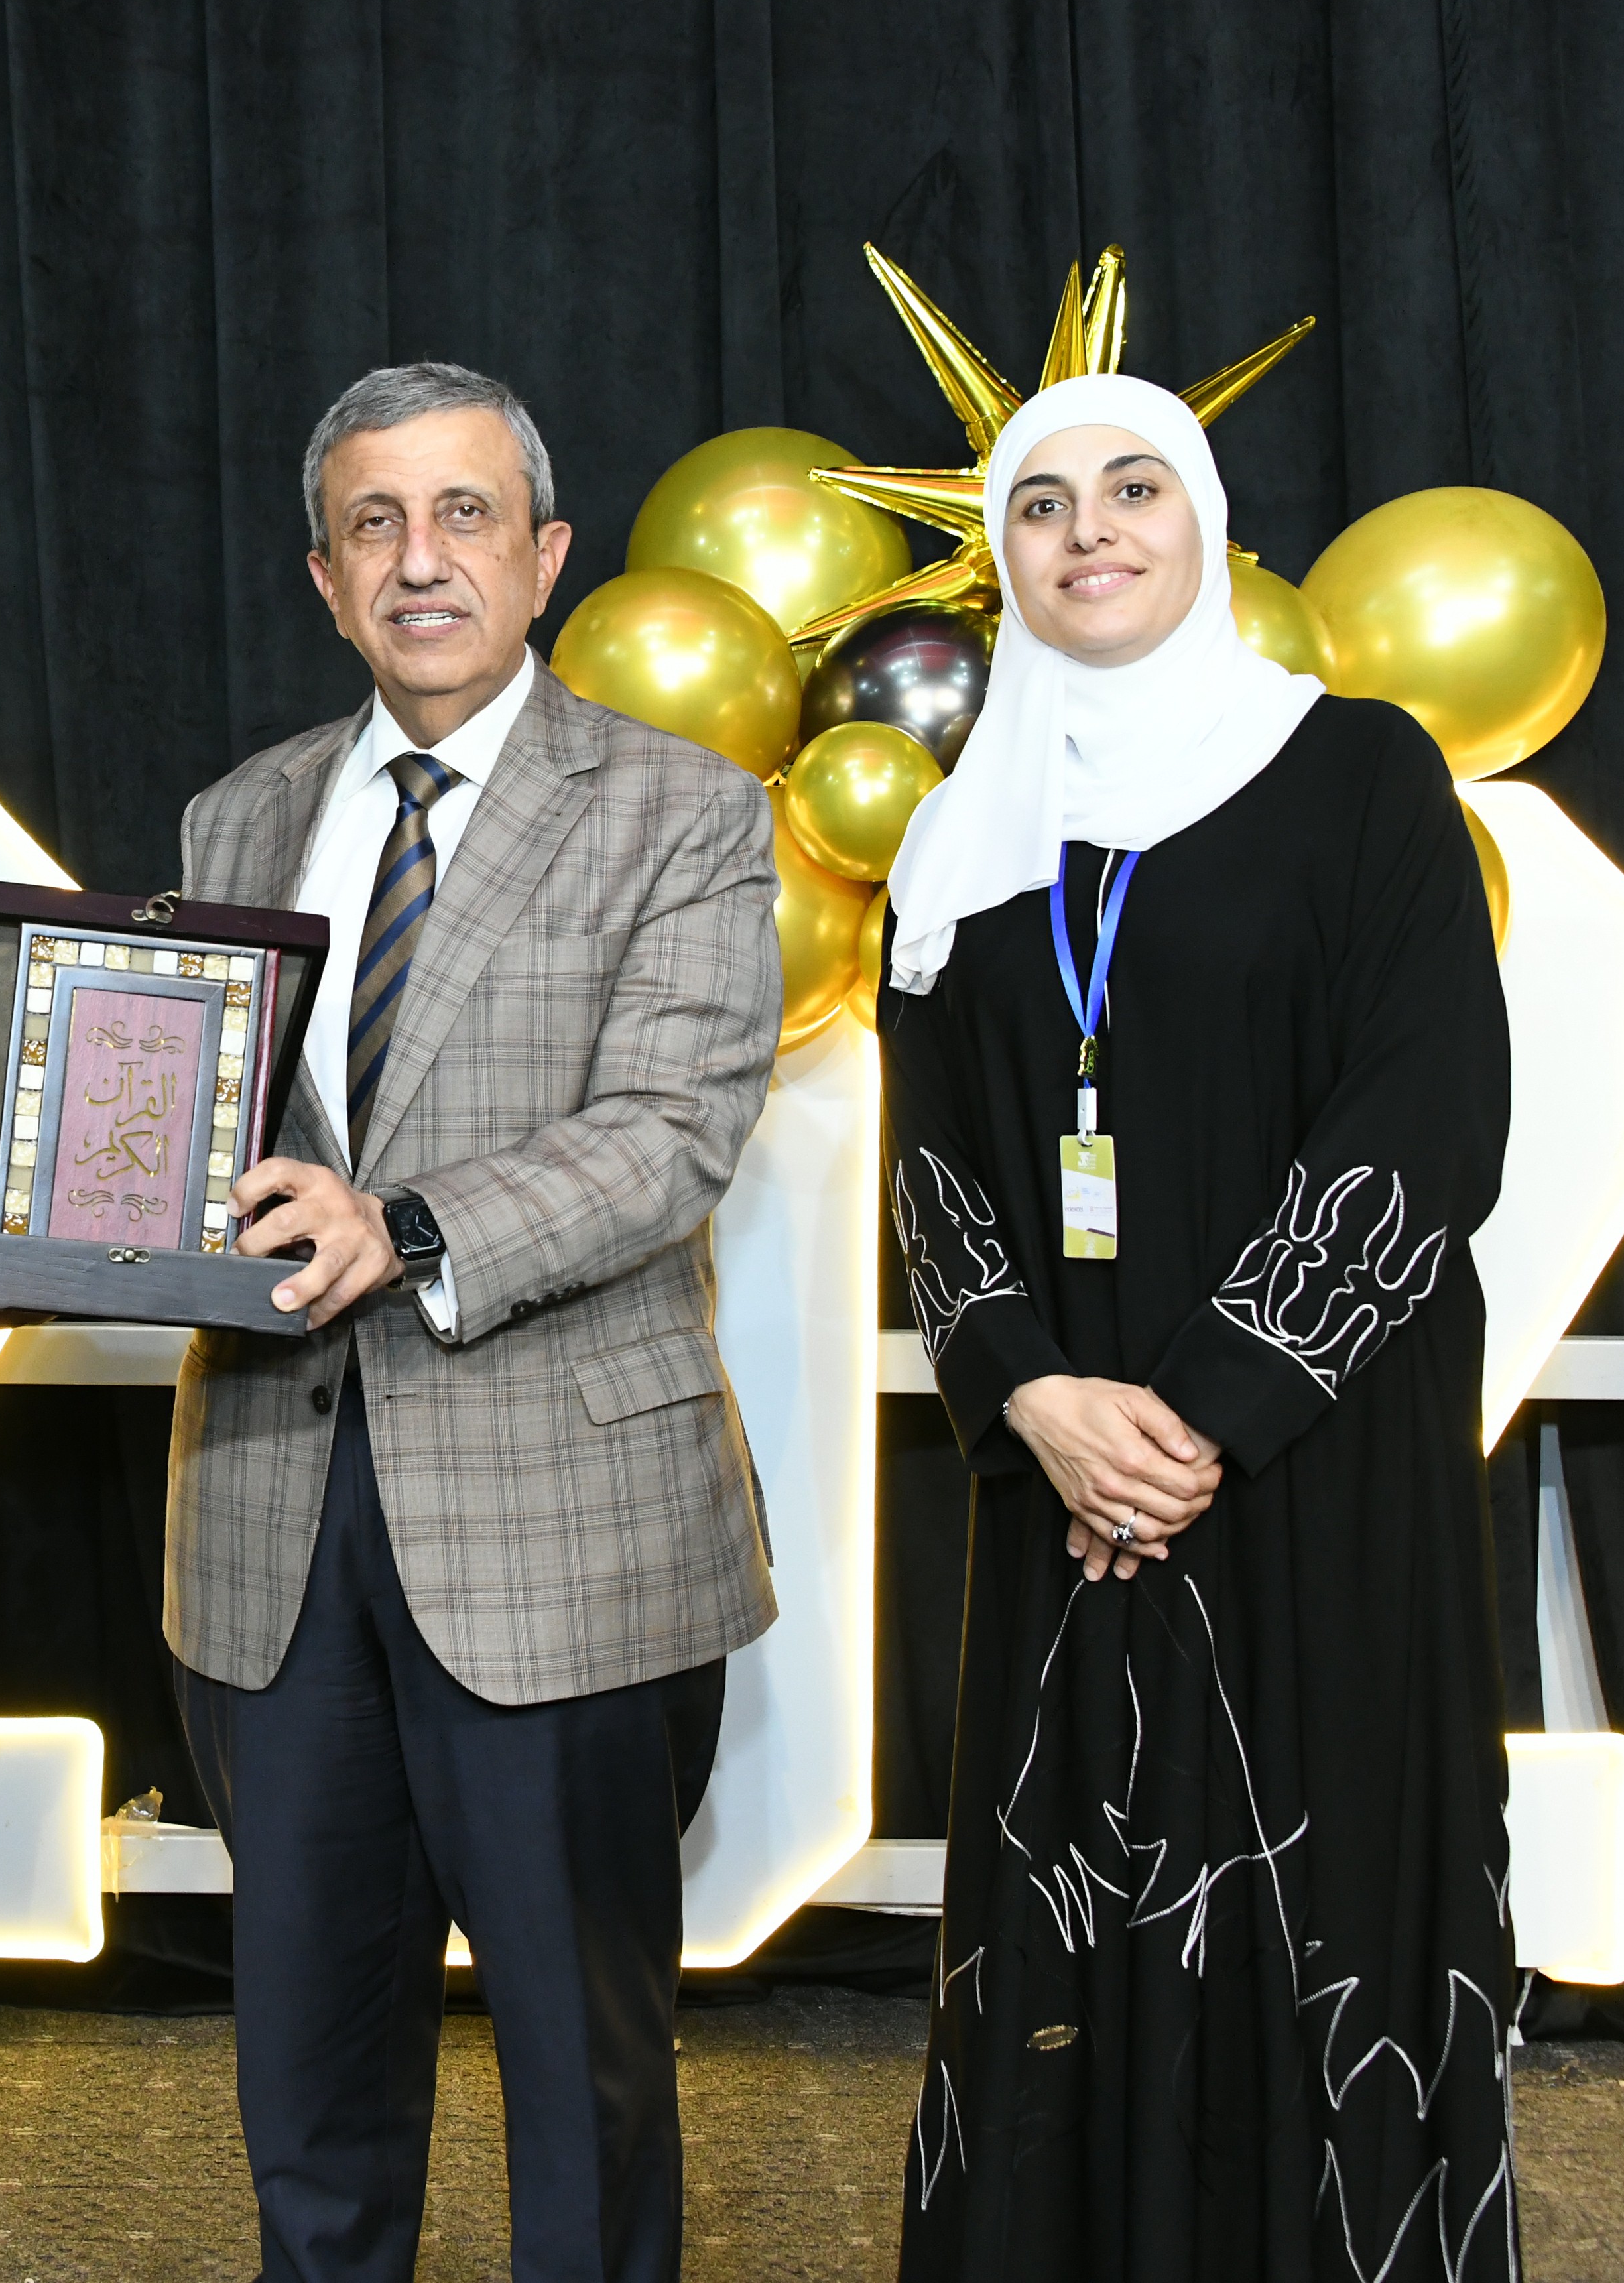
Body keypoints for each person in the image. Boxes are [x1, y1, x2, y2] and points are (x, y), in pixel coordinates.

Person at [875, 371, 1517, 2279]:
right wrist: (1038, 1401)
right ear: (1004, 559)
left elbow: (1430, 1106)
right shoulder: (963, 839)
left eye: (1134, 487)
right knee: (1074, 1916)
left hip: (1316, 1470)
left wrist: (1205, 1414)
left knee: (1329, 1917)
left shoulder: (1359, 773)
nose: (1090, 531)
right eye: (1044, 503)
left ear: (1209, 524)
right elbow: (935, 1168)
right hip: (1067, 1484)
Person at [168, 360, 782, 2283]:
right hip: (272, 1523)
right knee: (310, 2086)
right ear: (325, 578)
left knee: (582, 2089)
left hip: (563, 1534)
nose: (418, 560)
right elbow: (191, 1134)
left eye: (463, 517)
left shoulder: (681, 809)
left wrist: (407, 1226)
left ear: (545, 556)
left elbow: (673, 1132)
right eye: (374, 525)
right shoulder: (238, 817)